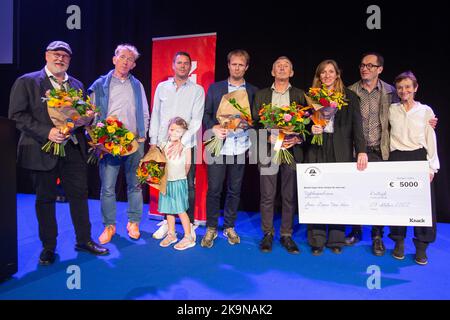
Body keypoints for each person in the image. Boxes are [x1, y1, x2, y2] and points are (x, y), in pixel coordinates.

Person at [8, 41, 109, 265]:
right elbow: (16, 116)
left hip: (73, 149)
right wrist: (48, 132)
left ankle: (84, 240)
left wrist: (88, 119)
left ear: (69, 60)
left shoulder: (76, 84)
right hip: (41, 149)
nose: (60, 59)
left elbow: (80, 115)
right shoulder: (27, 81)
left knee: (79, 196)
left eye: (65, 55)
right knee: (45, 199)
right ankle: (48, 247)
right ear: (46, 56)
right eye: (56, 54)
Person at [346, 52, 438, 256]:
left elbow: (410, 108)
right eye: (362, 65)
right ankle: (355, 230)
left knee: (381, 195)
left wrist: (429, 121)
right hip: (357, 149)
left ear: (380, 69)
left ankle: (377, 235)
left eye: (370, 65)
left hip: (382, 150)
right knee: (357, 191)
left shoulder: (390, 92)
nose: (365, 68)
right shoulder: (351, 91)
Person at [88, 44, 150, 244]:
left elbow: (145, 112)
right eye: (122, 57)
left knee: (135, 185)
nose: (125, 61)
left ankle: (133, 222)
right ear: (114, 59)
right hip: (109, 143)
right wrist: (99, 140)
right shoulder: (99, 84)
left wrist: (143, 136)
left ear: (133, 65)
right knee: (107, 187)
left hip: (135, 142)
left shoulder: (137, 85)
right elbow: (92, 115)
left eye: (130, 59)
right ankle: (109, 226)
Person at [306, 59, 368, 256]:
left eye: (330, 72)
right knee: (316, 192)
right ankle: (316, 239)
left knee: (338, 193)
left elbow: (358, 127)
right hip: (317, 148)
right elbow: (301, 125)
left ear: (337, 74)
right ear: (318, 76)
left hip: (340, 149)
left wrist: (361, 150)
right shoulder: (310, 97)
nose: (327, 75)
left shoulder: (349, 97)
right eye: (322, 72)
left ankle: (336, 238)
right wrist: (311, 128)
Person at [201, 49, 258, 248]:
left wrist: (247, 124)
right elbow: (206, 115)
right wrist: (213, 127)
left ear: (246, 67)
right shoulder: (215, 89)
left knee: (235, 190)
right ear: (228, 65)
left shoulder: (253, 91)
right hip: (218, 146)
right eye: (234, 64)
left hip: (240, 146)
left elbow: (256, 120)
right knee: (214, 189)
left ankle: (229, 226)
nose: (237, 67)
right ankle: (210, 227)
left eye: (241, 65)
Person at [251, 56, 306, 254]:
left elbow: (307, 123)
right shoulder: (261, 95)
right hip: (268, 149)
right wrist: (267, 139)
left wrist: (297, 138)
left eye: (286, 66)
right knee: (267, 195)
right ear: (273, 72)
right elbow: (254, 123)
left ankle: (286, 235)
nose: (282, 69)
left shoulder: (300, 95)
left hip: (291, 150)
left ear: (291, 72)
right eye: (278, 66)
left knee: (289, 196)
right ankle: (268, 234)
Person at [150, 51, 205, 242]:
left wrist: (182, 142)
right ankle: (169, 225)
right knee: (165, 184)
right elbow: (155, 114)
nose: (182, 66)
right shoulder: (162, 87)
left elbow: (197, 119)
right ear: (173, 65)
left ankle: (188, 228)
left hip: (186, 144)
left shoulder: (197, 90)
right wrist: (153, 142)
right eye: (179, 63)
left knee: (187, 185)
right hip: (163, 144)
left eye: (186, 63)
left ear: (191, 67)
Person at [388, 71, 439, 265]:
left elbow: (430, 139)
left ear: (415, 88)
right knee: (397, 204)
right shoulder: (392, 109)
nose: (404, 90)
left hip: (418, 157)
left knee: (423, 206)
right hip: (397, 157)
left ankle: (421, 247)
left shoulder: (426, 111)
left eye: (408, 87)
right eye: (400, 87)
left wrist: (431, 167)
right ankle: (398, 242)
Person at [157, 117, 196, 250]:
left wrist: (182, 176)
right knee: (168, 210)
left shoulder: (185, 146)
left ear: (183, 133)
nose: (174, 133)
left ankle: (188, 237)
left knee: (180, 210)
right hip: (166, 182)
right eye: (172, 129)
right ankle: (171, 234)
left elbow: (188, 164)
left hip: (179, 182)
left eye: (178, 131)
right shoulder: (163, 144)